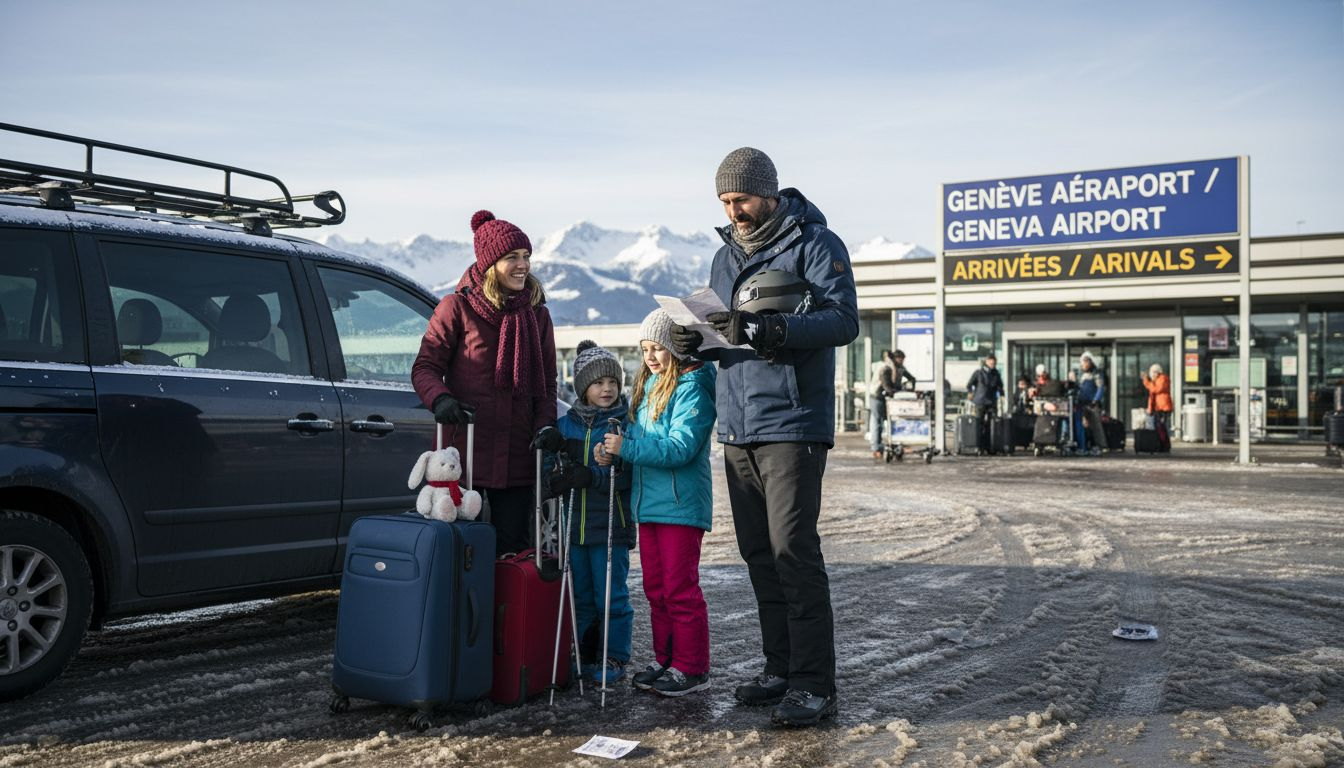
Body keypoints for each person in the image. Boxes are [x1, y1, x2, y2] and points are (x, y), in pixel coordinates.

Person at [667, 147, 858, 726]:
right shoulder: (724, 258)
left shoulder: (816, 244)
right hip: (738, 424)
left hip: (792, 423)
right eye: (725, 201)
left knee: (793, 552)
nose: (734, 210)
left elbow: (843, 320)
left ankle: (813, 684)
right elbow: (724, 331)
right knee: (758, 555)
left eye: (742, 199)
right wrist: (693, 344)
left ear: (770, 193)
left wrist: (770, 326)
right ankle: (780, 669)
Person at [412, 210, 558, 556]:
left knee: (513, 551)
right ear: (490, 263)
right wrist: (441, 399)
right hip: (463, 454)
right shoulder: (456, 308)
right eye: (512, 258)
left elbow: (547, 383)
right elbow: (425, 367)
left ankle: (505, 612)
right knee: (462, 551)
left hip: (519, 458)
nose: (523, 265)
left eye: (526, 257)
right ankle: (462, 612)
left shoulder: (537, 314)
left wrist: (545, 425)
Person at [601, 310, 716, 697]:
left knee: (680, 589)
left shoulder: (692, 386)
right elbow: (636, 442)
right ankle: (665, 658)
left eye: (659, 348)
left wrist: (628, 447)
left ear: (676, 348)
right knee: (656, 587)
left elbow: (681, 447)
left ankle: (691, 666)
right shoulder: (648, 386)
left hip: (680, 507)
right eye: (645, 348)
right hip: (648, 505)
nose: (651, 357)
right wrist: (615, 449)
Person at [546, 340, 633, 685]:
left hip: (610, 524)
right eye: (598, 383)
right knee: (580, 594)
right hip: (574, 527)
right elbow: (552, 469)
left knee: (611, 595)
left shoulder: (622, 424)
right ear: (583, 388)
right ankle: (582, 650)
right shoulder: (565, 425)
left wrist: (594, 475)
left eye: (612, 381)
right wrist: (554, 474)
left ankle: (614, 654)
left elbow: (628, 474)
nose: (607, 388)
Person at [965, 353, 1004, 455]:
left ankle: (989, 446)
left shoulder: (996, 374)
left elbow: (1000, 386)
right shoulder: (979, 373)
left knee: (991, 425)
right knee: (979, 424)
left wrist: (1002, 395)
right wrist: (970, 392)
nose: (992, 363)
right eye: (990, 361)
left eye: (994, 362)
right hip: (980, 402)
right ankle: (978, 446)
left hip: (991, 402)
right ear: (986, 362)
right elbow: (969, 384)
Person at [1074, 351, 1107, 453]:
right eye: (1082, 362)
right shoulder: (1082, 375)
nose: (1083, 364)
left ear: (1090, 362)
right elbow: (1079, 389)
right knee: (1083, 425)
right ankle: (1084, 445)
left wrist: (1096, 400)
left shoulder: (1096, 373)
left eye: (1085, 362)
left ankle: (1099, 445)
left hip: (1092, 404)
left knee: (1095, 425)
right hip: (1082, 403)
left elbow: (1100, 388)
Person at [866, 350, 894, 458]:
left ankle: (877, 446)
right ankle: (876, 447)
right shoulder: (885, 367)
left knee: (877, 421)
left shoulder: (877, 365)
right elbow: (885, 382)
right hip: (877, 396)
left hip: (874, 395)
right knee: (877, 422)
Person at [1140, 362, 1173, 434]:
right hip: (1158, 407)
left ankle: (1163, 442)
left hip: (1162, 407)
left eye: (1153, 372)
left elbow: (1156, 389)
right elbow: (1152, 396)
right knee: (1157, 426)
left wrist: (1146, 381)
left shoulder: (1162, 379)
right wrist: (1150, 408)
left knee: (1160, 426)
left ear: (1157, 372)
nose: (1151, 374)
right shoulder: (1155, 381)